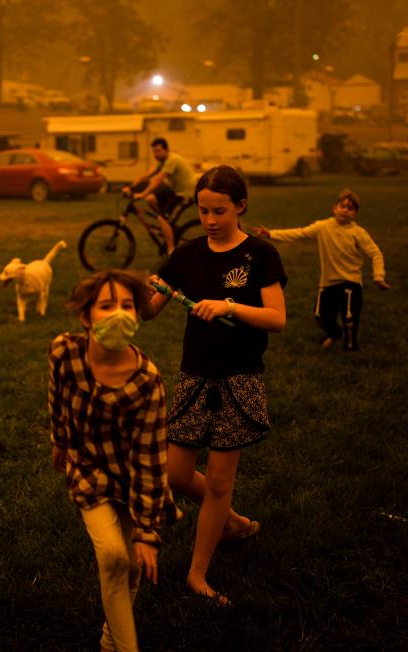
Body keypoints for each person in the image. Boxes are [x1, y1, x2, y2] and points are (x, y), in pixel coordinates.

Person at [140, 165, 287, 606]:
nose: (209, 220)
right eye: (203, 211)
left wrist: (228, 305)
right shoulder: (186, 255)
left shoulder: (260, 256)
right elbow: (150, 311)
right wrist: (127, 295)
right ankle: (235, 522)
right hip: (195, 375)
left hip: (239, 377)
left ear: (240, 206)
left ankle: (197, 574)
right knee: (176, 474)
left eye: (219, 211)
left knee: (220, 482)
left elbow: (277, 319)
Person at [48, 269, 180, 652]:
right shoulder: (64, 352)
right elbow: (56, 396)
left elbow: (151, 460)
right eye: (107, 306)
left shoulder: (147, 383)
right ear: (85, 316)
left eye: (127, 305)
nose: (119, 314)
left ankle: (111, 635)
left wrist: (148, 533)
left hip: (132, 478)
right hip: (87, 469)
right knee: (112, 555)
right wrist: (59, 439)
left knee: (133, 565)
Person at [252, 188, 390, 351]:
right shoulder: (323, 226)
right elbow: (299, 233)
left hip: (351, 282)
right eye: (343, 206)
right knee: (320, 316)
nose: (345, 210)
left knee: (349, 318)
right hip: (328, 282)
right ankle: (335, 334)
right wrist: (271, 234)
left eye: (350, 208)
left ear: (355, 213)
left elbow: (375, 253)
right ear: (335, 208)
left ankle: (351, 349)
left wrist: (378, 276)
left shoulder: (358, 233)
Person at [123, 137, 195, 254]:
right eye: (154, 151)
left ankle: (171, 251)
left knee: (161, 219)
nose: (155, 154)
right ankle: (168, 225)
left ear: (166, 150)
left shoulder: (172, 160)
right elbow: (146, 175)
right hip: (175, 191)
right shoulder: (162, 162)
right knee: (151, 199)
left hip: (185, 194)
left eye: (158, 151)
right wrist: (130, 187)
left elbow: (158, 179)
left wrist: (142, 194)